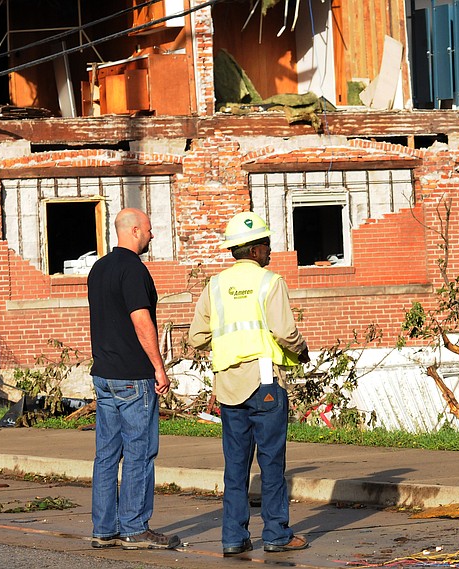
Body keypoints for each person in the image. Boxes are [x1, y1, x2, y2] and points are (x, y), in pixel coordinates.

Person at [189, 211, 311, 555]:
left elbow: (196, 337)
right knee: (271, 462)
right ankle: (275, 534)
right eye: (267, 245)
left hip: (228, 385)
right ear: (255, 251)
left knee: (236, 465)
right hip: (265, 382)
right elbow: (285, 332)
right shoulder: (270, 282)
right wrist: (301, 350)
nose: (270, 251)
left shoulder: (215, 286)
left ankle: (233, 538)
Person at [86, 208, 180, 550]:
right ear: (136, 230)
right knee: (140, 452)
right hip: (132, 378)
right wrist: (158, 366)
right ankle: (135, 528)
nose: (153, 236)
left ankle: (104, 528)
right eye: (151, 230)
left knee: (107, 454)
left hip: (104, 375)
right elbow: (141, 321)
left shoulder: (98, 269)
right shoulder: (133, 270)